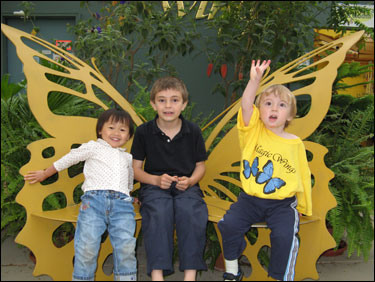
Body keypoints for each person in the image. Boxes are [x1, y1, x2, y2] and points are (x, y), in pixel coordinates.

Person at [218, 60, 312, 281]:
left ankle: (280, 277)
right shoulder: (253, 132)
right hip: (249, 200)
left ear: (290, 115)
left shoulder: (295, 143)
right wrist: (254, 81)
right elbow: (246, 105)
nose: (273, 109)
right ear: (260, 111)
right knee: (228, 225)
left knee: (284, 236)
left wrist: (303, 206)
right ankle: (232, 271)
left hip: (282, 204)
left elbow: (302, 175)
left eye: (281, 105)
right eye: (268, 104)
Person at [24, 108, 137, 281]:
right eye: (111, 128)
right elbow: (69, 158)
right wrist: (45, 173)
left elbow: (128, 180)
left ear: (128, 136)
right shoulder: (93, 147)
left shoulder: (127, 157)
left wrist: (130, 196)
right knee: (87, 247)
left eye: (122, 130)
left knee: (126, 246)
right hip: (93, 203)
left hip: (122, 204)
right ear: (100, 130)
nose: (116, 133)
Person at [131, 76, 208, 281]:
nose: (168, 105)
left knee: (191, 211)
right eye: (162, 100)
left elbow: (201, 166)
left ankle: (190, 275)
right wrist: (155, 180)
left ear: (184, 104)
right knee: (158, 212)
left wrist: (191, 181)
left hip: (186, 185)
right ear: (153, 104)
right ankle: (157, 275)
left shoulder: (193, 131)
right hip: (154, 186)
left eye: (174, 100)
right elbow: (135, 169)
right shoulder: (143, 132)